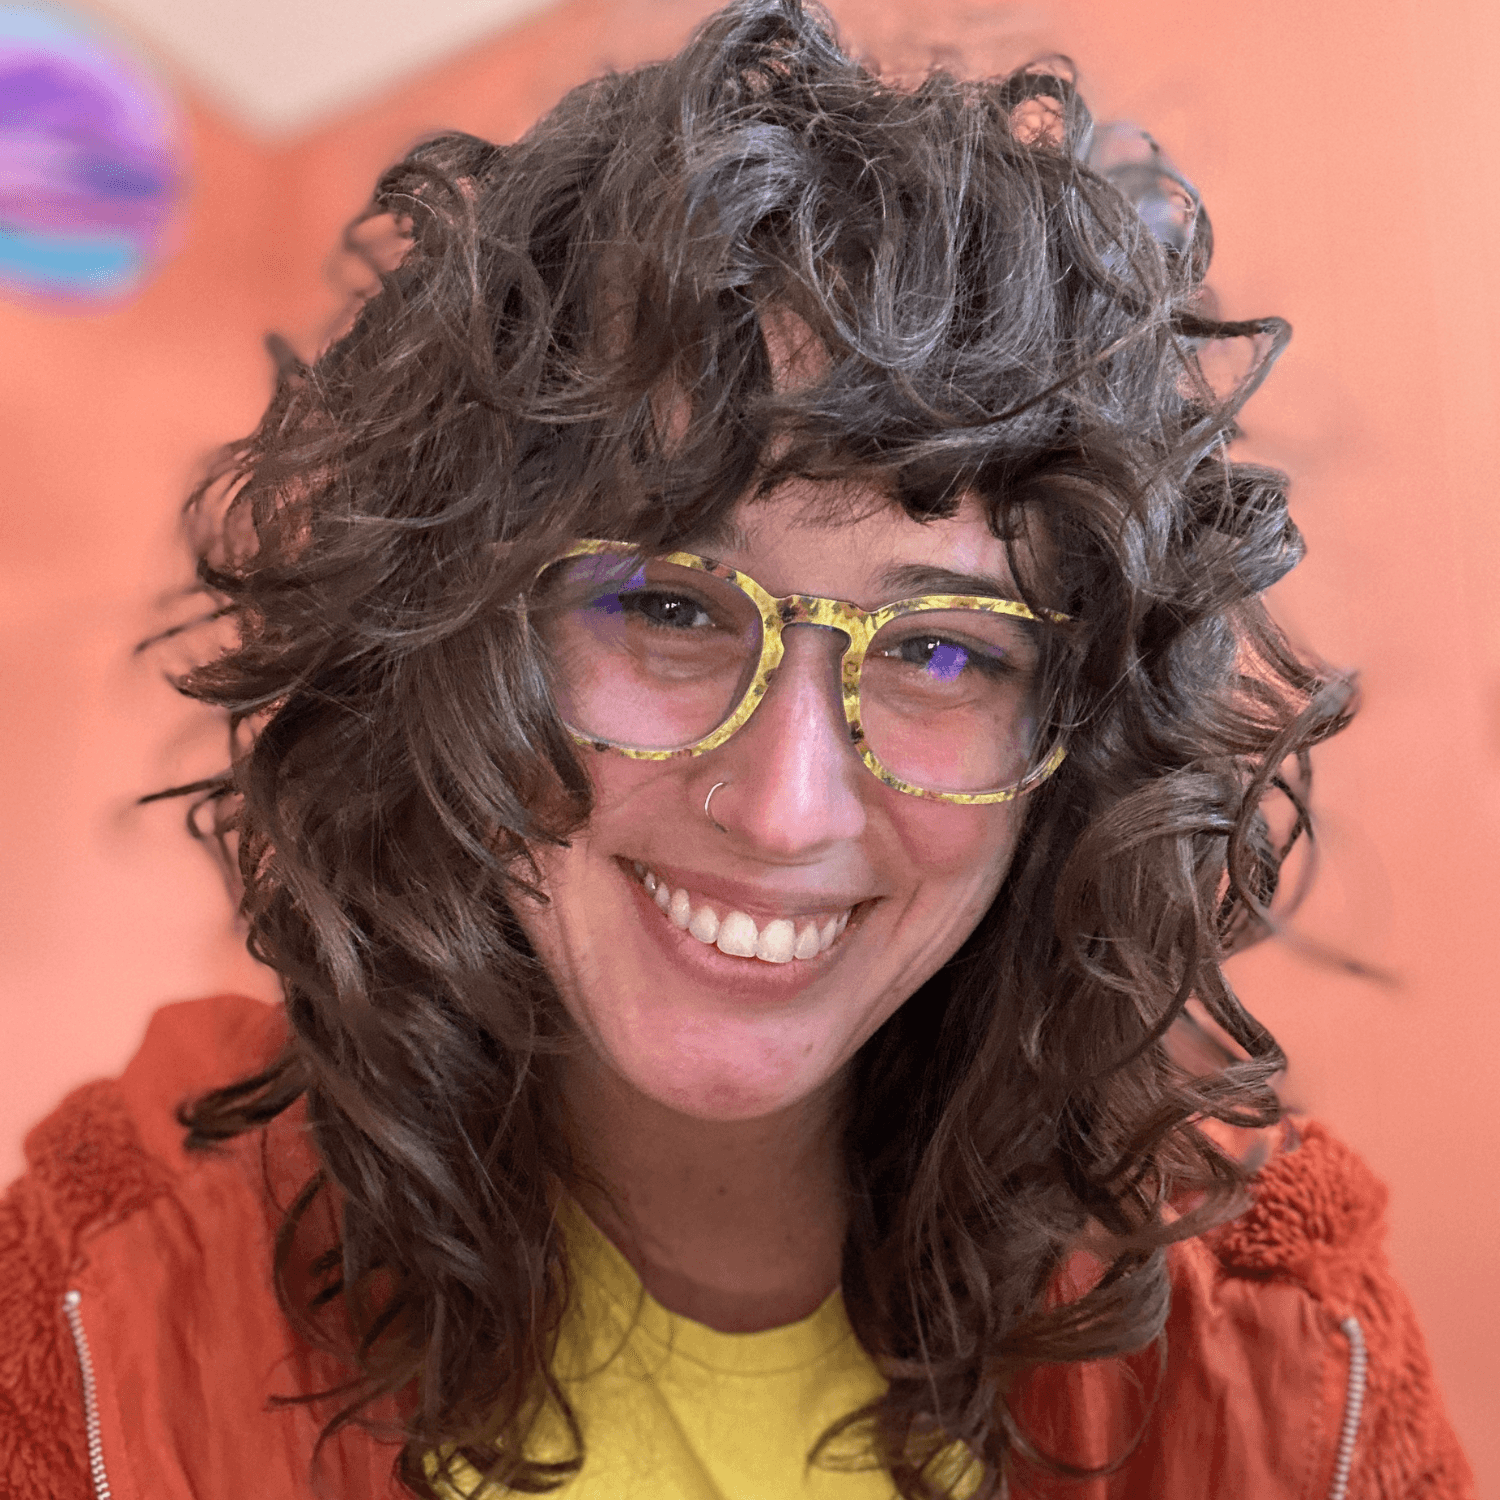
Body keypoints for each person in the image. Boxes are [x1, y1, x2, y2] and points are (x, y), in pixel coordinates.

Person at [0, 3, 1475, 1497]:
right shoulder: (118, 1292)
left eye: (943, 651)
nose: (784, 810)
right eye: (667, 606)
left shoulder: (1277, 1344)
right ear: (451, 642)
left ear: (1075, 752)